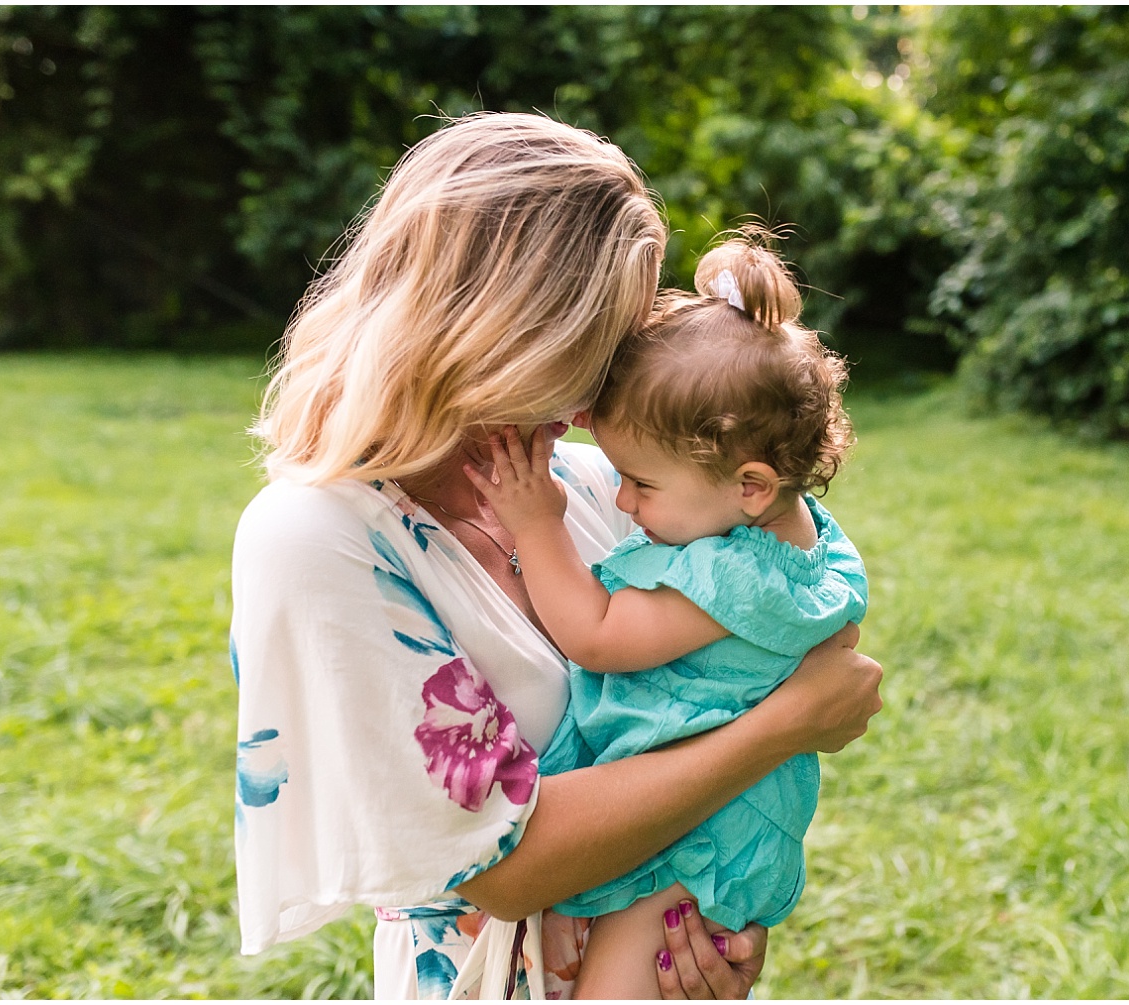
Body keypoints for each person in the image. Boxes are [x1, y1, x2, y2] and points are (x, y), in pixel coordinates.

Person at [229, 111, 883, 1000]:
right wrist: (780, 729)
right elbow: (502, 862)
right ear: (505, 329)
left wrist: (704, 933)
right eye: (595, 352)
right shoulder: (320, 538)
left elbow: (765, 619)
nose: (590, 408)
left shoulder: (582, 482)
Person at [465, 233, 867, 999]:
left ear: (750, 484)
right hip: (718, 819)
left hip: (693, 848)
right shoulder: (800, 533)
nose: (621, 503)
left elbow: (597, 635)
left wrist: (538, 524)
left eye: (641, 483)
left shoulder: (732, 577)